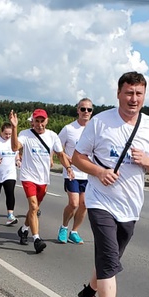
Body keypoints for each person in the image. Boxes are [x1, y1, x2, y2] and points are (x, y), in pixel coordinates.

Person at [72, 71, 149, 297]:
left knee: (109, 262)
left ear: (144, 96)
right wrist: (99, 172)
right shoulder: (101, 122)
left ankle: (88, 294)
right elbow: (78, 158)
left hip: (130, 206)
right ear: (118, 94)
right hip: (100, 201)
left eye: (138, 94)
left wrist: (147, 161)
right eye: (128, 93)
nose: (133, 99)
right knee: (108, 259)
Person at [9, 109, 73, 254]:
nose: (39, 124)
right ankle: (37, 239)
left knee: (34, 208)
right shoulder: (25, 134)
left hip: (43, 178)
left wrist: (68, 167)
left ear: (47, 121)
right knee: (33, 205)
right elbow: (14, 147)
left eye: (42, 121)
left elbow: (60, 154)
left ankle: (24, 229)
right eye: (36, 121)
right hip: (28, 176)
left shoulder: (52, 136)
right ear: (32, 121)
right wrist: (14, 127)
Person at [57, 98, 94, 244]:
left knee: (84, 204)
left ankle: (74, 231)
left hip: (89, 174)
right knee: (74, 203)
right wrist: (68, 159)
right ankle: (64, 227)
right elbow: (57, 147)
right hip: (72, 172)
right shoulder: (69, 129)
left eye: (89, 110)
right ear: (78, 110)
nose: (86, 112)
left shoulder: (94, 129)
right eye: (83, 109)